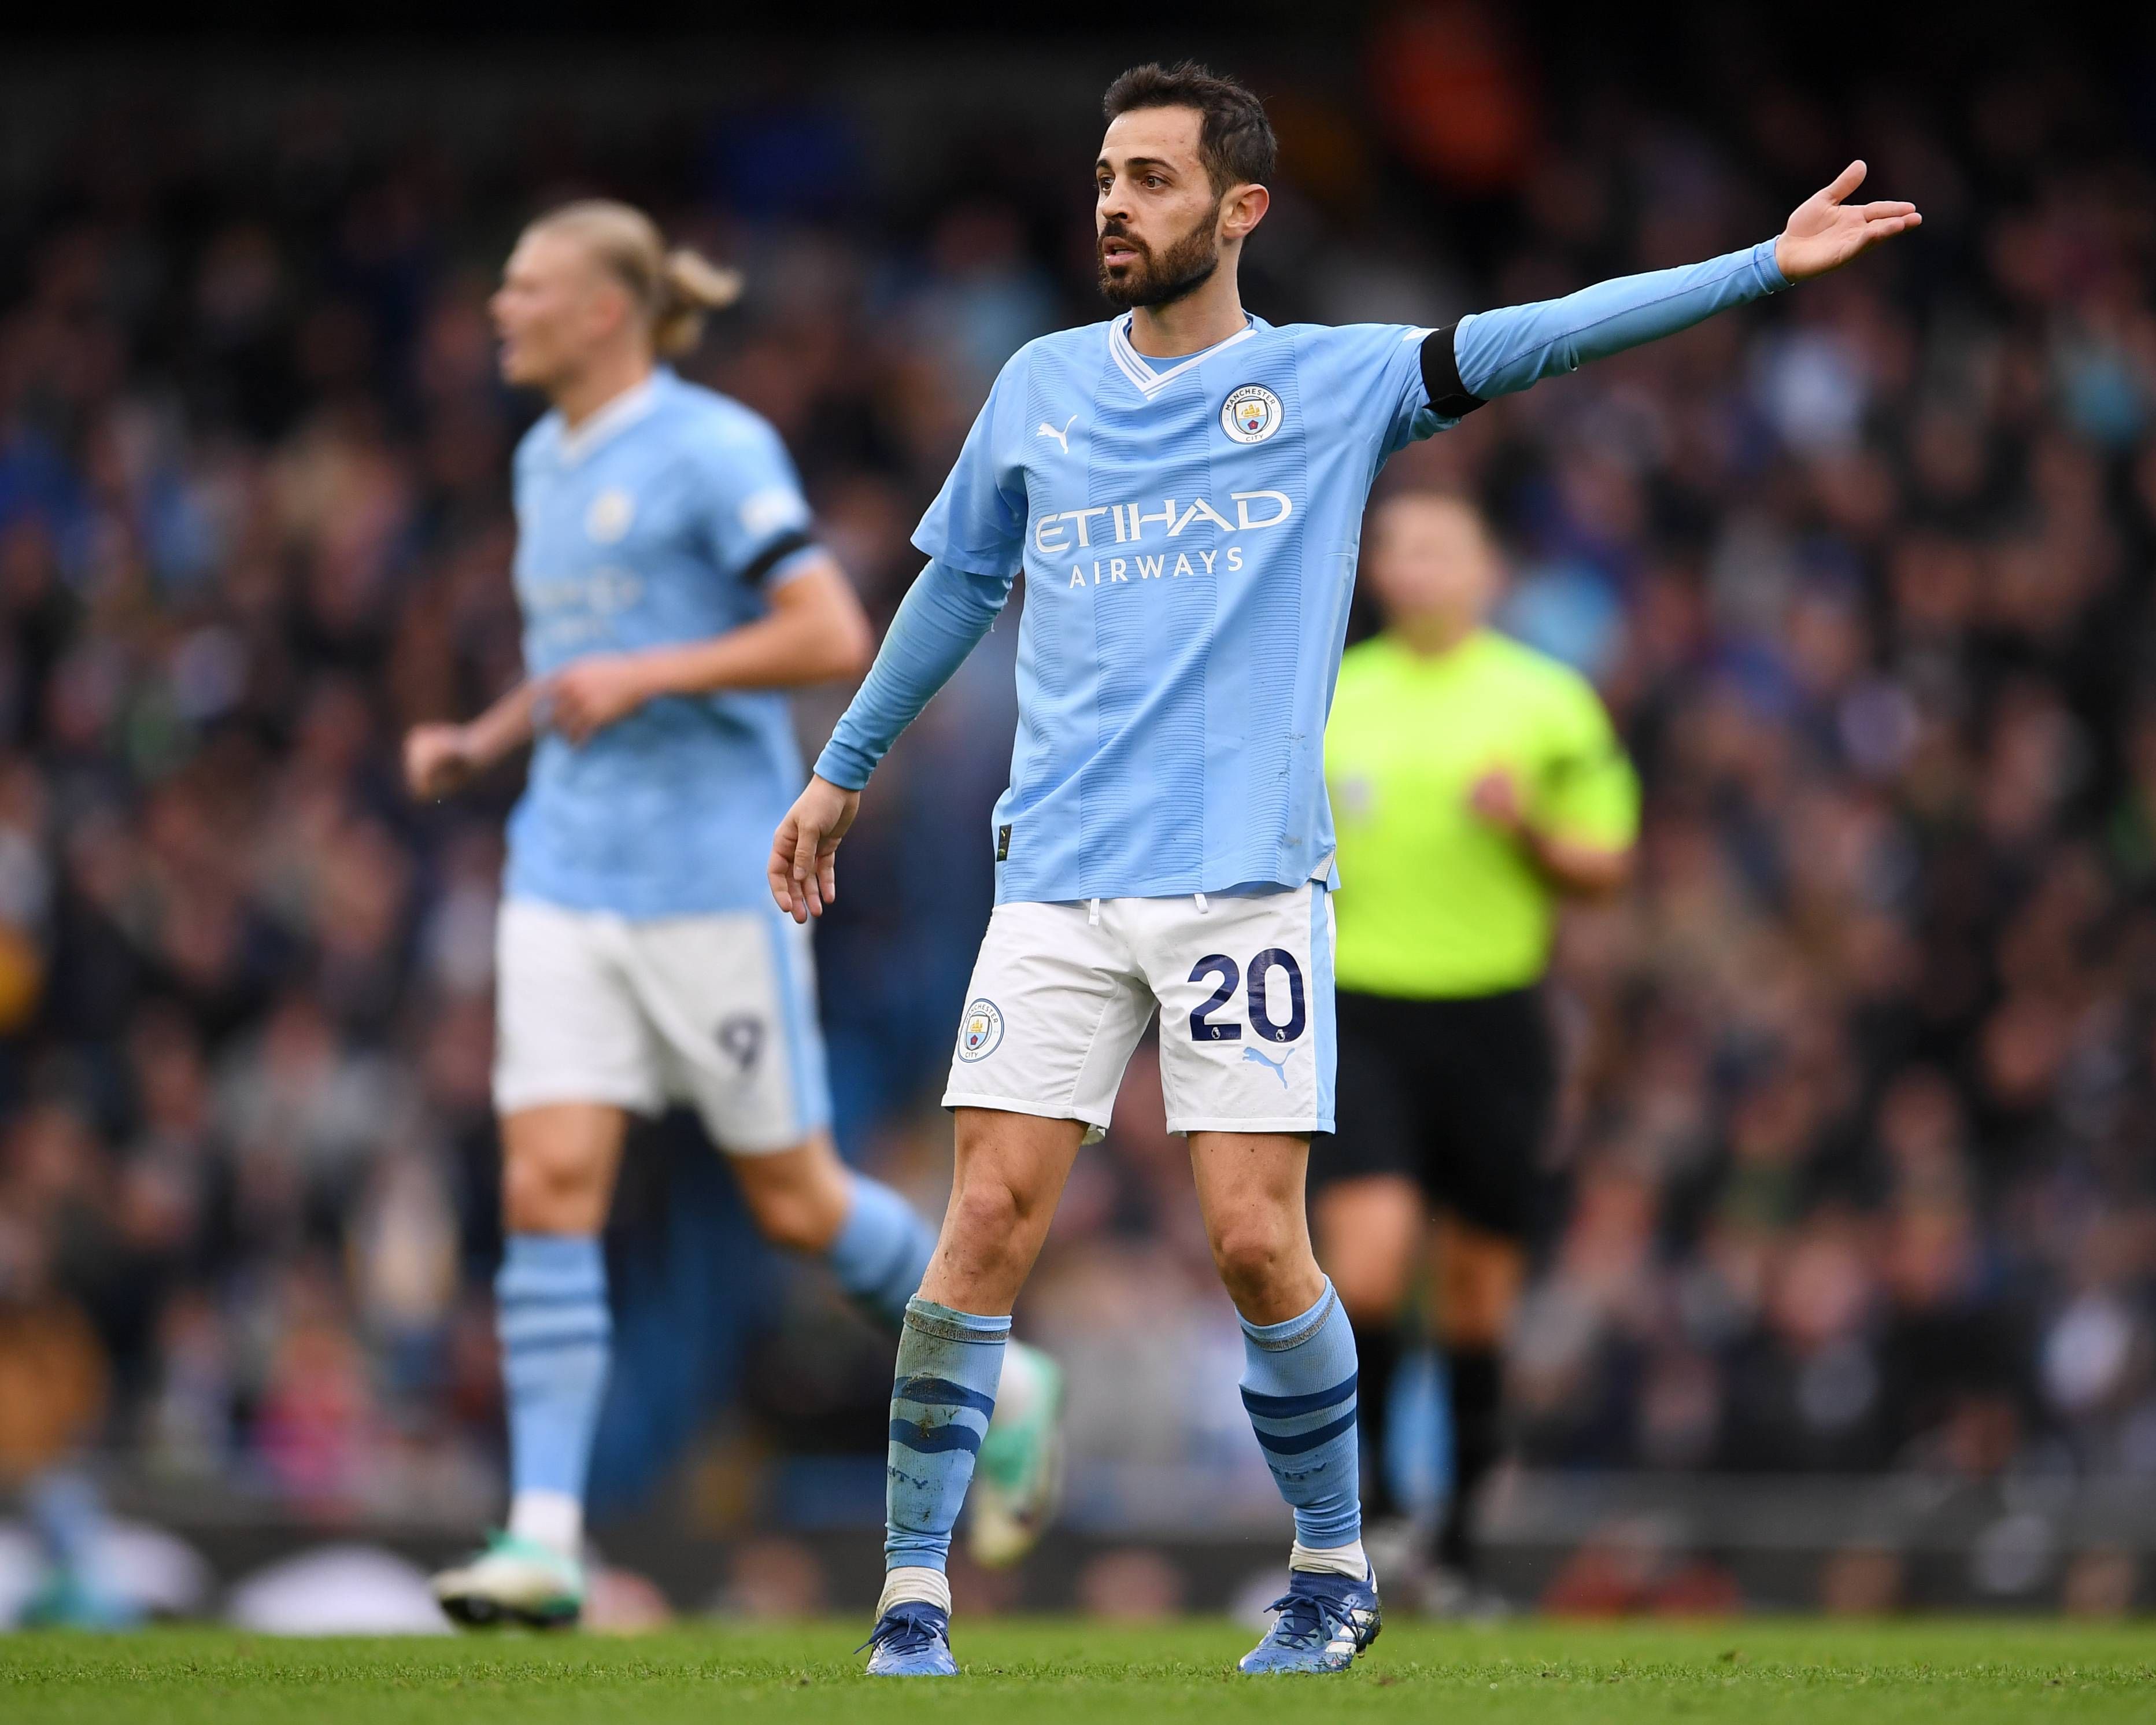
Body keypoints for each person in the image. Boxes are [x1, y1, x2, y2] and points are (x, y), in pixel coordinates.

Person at [767, 60, 1917, 1676]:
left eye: (1152, 179)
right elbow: (955, 590)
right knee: (982, 1225)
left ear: (1239, 208)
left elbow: (1545, 332)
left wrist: (1754, 267)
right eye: (1106, 175)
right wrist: (840, 773)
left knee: (1254, 1240)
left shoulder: (1331, 384)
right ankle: (909, 1588)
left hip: (1245, 884)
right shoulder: (1033, 384)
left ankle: (1328, 1565)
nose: (1114, 203)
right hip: (1059, 881)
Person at [406, 201, 1063, 1631]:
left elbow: (826, 631)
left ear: (605, 311)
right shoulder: (540, 458)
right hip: (563, 871)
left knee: (793, 1201)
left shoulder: (711, 449)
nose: (498, 311)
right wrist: (489, 732)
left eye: (524, 288)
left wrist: (651, 681)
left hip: (709, 882)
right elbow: (586, 655)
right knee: (547, 1188)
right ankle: (542, 1535)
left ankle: (1001, 1374)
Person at [1313, 490, 1638, 1611]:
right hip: (1362, 1011)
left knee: (1473, 1297)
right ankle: (1372, 1512)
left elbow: (1604, 862)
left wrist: (1529, 831)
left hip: (1495, 1018)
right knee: (1365, 1259)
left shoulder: (1543, 702)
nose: (1417, 566)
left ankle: (1453, 1547)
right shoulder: (1331, 693)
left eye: (1440, 546)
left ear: (1485, 571)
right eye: (1398, 547)